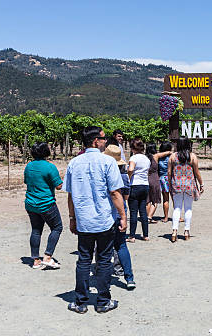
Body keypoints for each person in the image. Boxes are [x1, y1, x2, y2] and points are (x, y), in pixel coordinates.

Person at [64, 126, 127, 314]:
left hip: (84, 222)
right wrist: (123, 216)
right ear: (95, 141)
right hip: (104, 221)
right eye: (103, 138)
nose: (105, 141)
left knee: (84, 260)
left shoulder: (74, 163)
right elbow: (115, 192)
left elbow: (70, 195)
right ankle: (102, 301)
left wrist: (72, 218)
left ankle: (80, 302)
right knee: (104, 260)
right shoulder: (108, 162)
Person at [24, 142, 63, 269]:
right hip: (46, 204)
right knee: (57, 227)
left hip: (31, 203)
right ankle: (48, 256)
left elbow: (27, 181)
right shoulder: (50, 167)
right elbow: (58, 186)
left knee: (36, 230)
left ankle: (35, 260)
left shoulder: (29, 166)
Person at [103, 144, 135, 289]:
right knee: (121, 245)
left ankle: (102, 278)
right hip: (121, 212)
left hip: (105, 213)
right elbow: (126, 196)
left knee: (102, 247)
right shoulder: (124, 176)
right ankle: (129, 278)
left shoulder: (102, 174)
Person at [168, 138, 203, 242]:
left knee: (177, 208)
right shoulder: (192, 156)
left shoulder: (173, 157)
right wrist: (201, 184)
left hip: (176, 185)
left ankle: (174, 231)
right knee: (188, 208)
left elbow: (169, 172)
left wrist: (170, 184)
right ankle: (186, 231)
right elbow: (197, 172)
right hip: (189, 185)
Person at [127, 137, 150, 242]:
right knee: (143, 211)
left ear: (132, 148)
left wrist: (128, 176)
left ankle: (132, 236)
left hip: (135, 185)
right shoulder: (147, 159)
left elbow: (131, 169)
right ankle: (145, 235)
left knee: (133, 212)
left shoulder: (133, 158)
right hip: (145, 185)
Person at [145, 143, 172, 223]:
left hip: (157, 179)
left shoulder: (147, 158)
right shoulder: (159, 157)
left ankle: (148, 216)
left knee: (148, 199)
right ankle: (166, 217)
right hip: (165, 179)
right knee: (166, 199)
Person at [158, 141, 173, 223]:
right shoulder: (172, 157)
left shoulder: (159, 157)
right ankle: (178, 217)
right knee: (175, 199)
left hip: (162, 179)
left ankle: (166, 217)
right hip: (171, 178)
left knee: (165, 199)